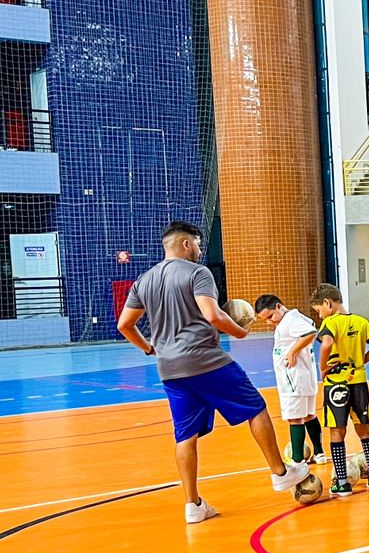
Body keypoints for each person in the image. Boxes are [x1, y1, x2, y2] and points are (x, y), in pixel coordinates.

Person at [116, 220, 309, 523]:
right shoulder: (197, 272)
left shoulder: (144, 281)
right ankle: (280, 473)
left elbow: (124, 325)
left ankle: (193, 505)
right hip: (205, 360)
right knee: (256, 408)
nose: (200, 249)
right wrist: (240, 332)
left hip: (170, 369)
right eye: (198, 244)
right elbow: (212, 314)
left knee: (185, 436)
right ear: (185, 244)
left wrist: (148, 347)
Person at [312, 282, 369, 498]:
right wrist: (361, 360)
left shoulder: (330, 323)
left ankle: (342, 482)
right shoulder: (361, 321)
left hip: (336, 385)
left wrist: (323, 367)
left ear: (327, 303)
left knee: (337, 432)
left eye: (318, 311)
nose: (319, 316)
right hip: (359, 382)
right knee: (364, 429)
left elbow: (326, 344)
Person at [254, 293, 325, 468]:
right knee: (309, 415)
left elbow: (311, 332)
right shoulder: (294, 317)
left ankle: (298, 460)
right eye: (266, 320)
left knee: (295, 418)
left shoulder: (290, 321)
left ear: (279, 306)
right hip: (305, 378)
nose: (270, 322)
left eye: (270, 316)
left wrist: (292, 351)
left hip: (293, 379)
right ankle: (319, 452)